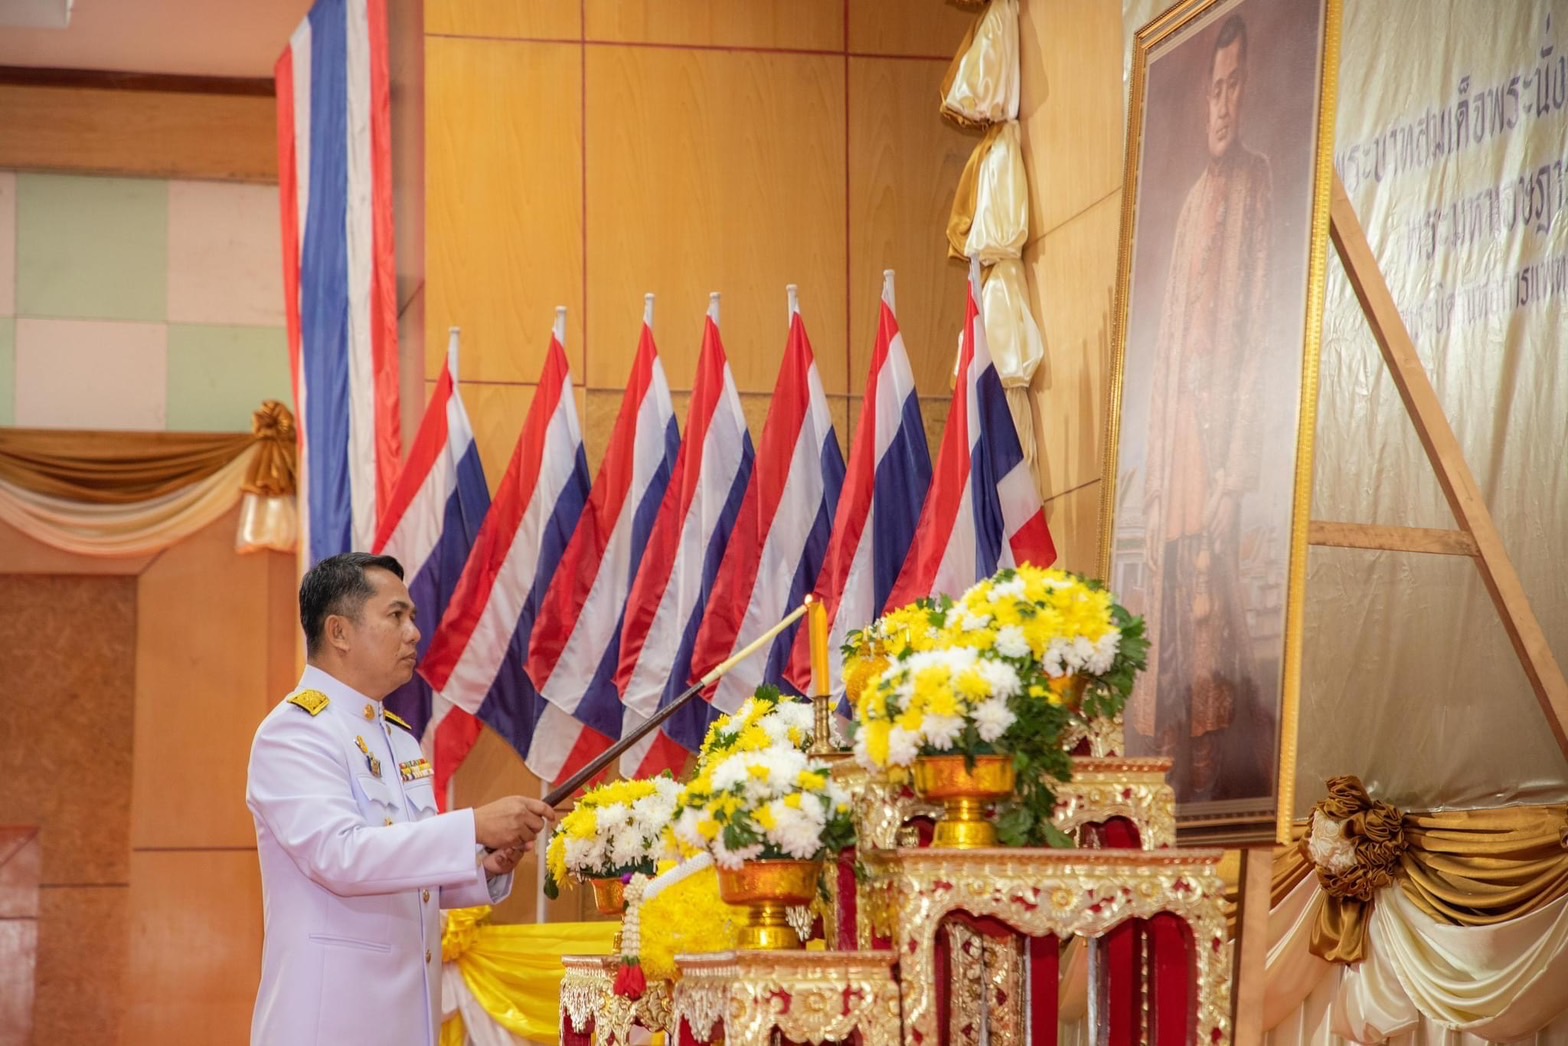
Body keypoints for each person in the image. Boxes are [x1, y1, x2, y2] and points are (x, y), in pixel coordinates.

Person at [247, 552, 558, 1045]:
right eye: (396, 616)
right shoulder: (294, 732)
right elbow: (341, 856)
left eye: (411, 617)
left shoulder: (397, 737)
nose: (414, 632)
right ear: (339, 632)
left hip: (407, 1021)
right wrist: (471, 827)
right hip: (332, 1023)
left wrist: (485, 863)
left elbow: (409, 880)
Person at [1130, 13, 1272, 803]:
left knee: (1215, 602)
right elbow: (1162, 352)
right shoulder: (1186, 204)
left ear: (1246, 91)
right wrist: (1157, 474)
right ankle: (1176, 774)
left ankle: (1221, 774)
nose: (1221, 105)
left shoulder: (1256, 183)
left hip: (1219, 444)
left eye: (1232, 87)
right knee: (1175, 608)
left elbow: (1255, 333)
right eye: (1211, 90)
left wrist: (1234, 470)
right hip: (1177, 436)